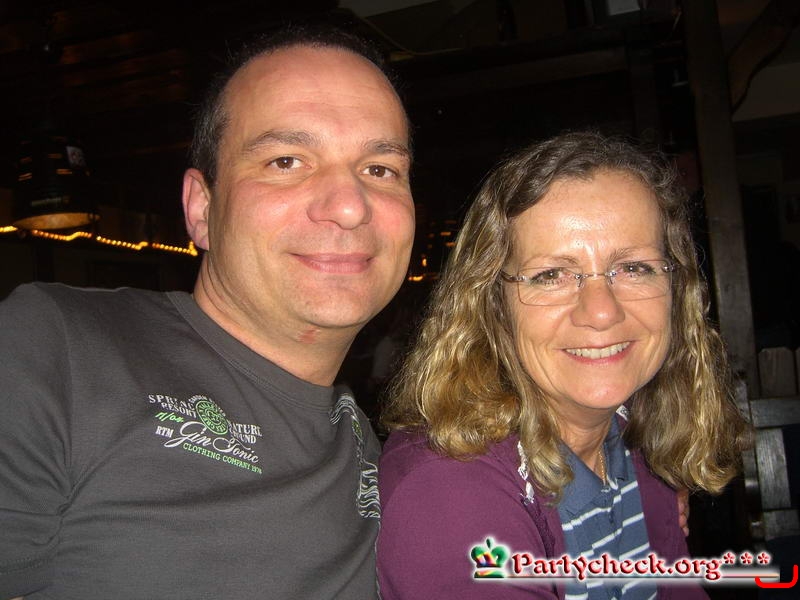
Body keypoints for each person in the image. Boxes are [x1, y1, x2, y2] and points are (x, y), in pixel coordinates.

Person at [0, 25, 415, 600]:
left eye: (380, 169)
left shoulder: (369, 449)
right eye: (287, 160)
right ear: (201, 209)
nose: (349, 206)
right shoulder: (53, 346)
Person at [377, 131, 750, 599]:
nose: (602, 312)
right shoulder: (448, 492)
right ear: (492, 305)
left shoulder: (637, 446)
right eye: (551, 275)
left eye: (634, 268)